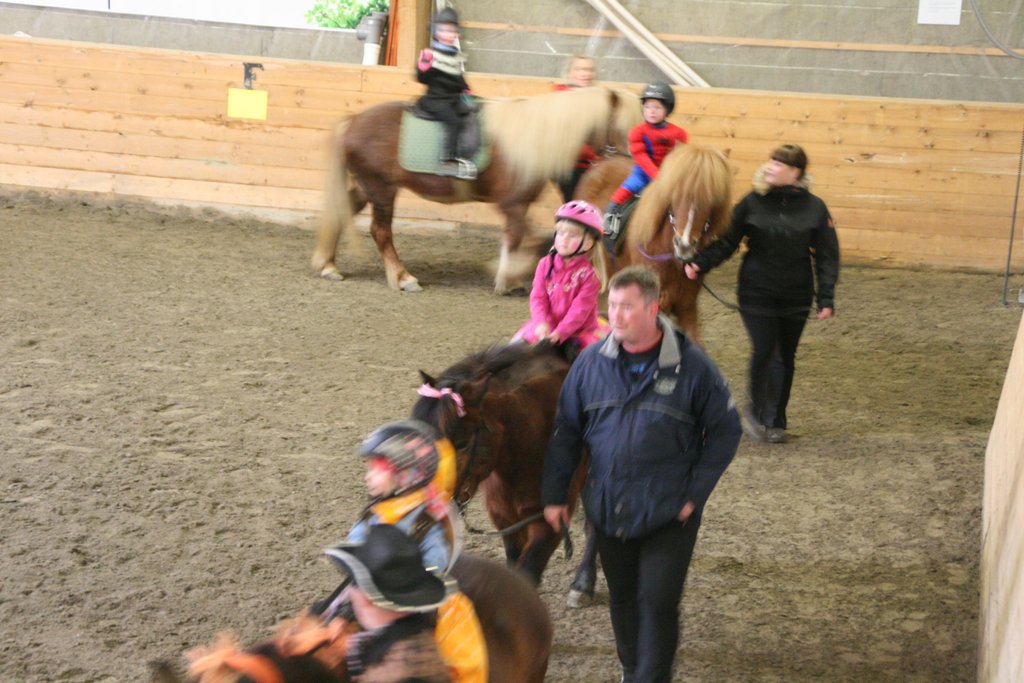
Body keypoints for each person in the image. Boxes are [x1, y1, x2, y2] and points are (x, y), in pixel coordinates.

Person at [542, 265, 741, 683]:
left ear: (653, 309)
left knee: (658, 600)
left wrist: (695, 493)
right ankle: (632, 670)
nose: (615, 315)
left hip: (670, 509)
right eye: (612, 305)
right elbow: (567, 432)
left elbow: (726, 431)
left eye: (626, 307)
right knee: (624, 599)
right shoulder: (589, 364)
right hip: (609, 505)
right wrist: (556, 495)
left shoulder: (693, 366)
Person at [684, 143, 840, 444]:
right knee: (766, 349)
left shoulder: (816, 208)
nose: (769, 167)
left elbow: (827, 255)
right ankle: (756, 411)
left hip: (796, 294)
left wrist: (826, 298)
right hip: (756, 292)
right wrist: (701, 263)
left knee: (786, 355)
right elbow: (727, 242)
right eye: (770, 161)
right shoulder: (752, 202)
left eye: (778, 164)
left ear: (795, 172)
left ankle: (776, 420)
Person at [317, 419, 488, 683]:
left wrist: (396, 580)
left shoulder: (427, 520)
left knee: (444, 644)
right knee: (320, 617)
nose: (367, 477)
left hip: (409, 597)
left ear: (406, 475)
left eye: (376, 470)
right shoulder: (376, 510)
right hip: (369, 586)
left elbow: (435, 565)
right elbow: (357, 543)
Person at [324, 523, 456, 682]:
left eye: (355, 583)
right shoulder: (415, 637)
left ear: (368, 599)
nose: (351, 591)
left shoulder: (401, 670)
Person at [513, 200, 609, 354]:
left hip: (579, 331)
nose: (564, 238)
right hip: (546, 327)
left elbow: (579, 311)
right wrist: (541, 323)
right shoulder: (544, 264)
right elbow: (538, 297)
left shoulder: (590, 276)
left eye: (573, 235)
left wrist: (561, 332)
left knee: (594, 359)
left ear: (588, 244)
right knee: (513, 349)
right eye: (560, 232)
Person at [602, 82, 688, 239]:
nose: (651, 111)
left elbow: (681, 156)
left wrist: (669, 175)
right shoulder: (637, 131)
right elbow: (640, 155)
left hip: (668, 175)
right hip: (642, 173)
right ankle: (609, 218)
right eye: (648, 107)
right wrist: (656, 175)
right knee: (623, 192)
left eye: (657, 107)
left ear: (667, 109)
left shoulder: (679, 134)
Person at [416, 7, 477, 180]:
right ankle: (447, 161)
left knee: (471, 113)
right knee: (453, 121)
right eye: (443, 30)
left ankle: (467, 154)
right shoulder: (430, 54)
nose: (448, 34)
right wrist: (423, 68)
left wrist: (467, 90)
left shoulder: (456, 56)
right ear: (436, 32)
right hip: (436, 100)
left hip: (452, 99)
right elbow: (422, 78)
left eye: (452, 30)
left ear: (457, 33)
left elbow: (457, 77)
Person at [554, 54, 599, 201]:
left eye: (589, 70)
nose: (585, 74)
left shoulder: (597, 98)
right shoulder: (559, 97)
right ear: (569, 73)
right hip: (570, 164)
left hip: (592, 163)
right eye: (579, 69)